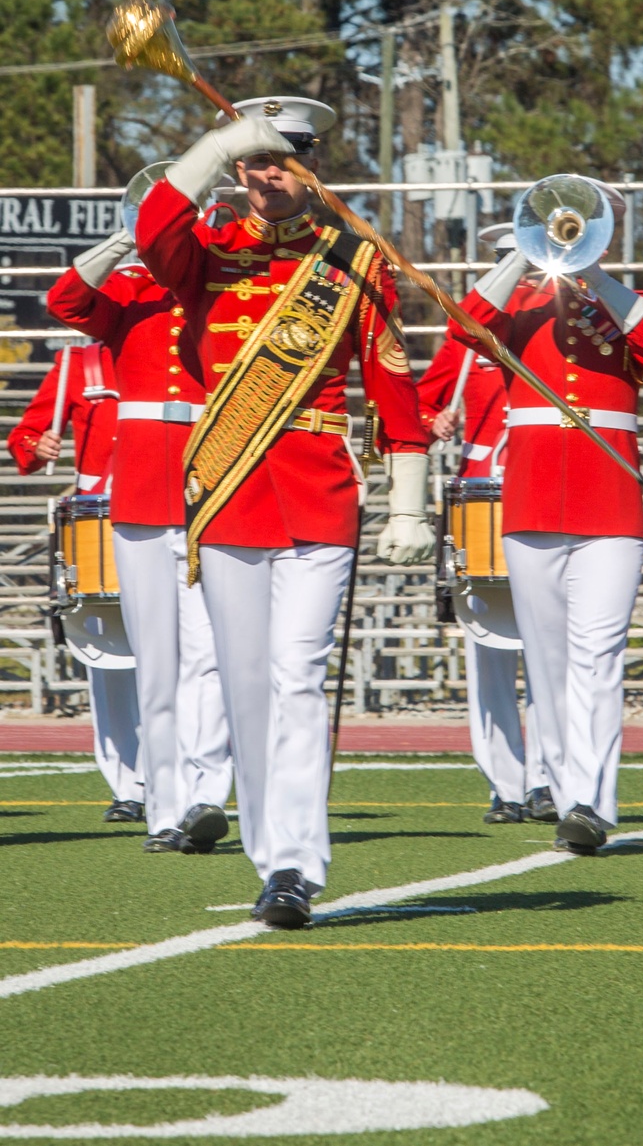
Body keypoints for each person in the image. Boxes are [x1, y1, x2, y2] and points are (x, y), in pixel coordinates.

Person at [135, 97, 434, 927]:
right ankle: (273, 858)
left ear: (311, 169)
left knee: (299, 675)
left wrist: (409, 502)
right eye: (258, 159)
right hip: (228, 489)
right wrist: (219, 141)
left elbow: (393, 385)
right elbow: (153, 232)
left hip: (319, 489)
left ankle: (297, 862)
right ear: (239, 169)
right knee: (246, 686)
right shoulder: (210, 251)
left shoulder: (352, 259)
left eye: (285, 158)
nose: (270, 174)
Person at [450, 181, 643, 854]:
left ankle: (591, 798)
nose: (571, 232)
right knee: (548, 660)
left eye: (586, 222)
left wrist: (595, 274)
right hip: (531, 497)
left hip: (609, 501)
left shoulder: (634, 304)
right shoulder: (517, 304)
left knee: (598, 654)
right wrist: (522, 253)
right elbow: (461, 323)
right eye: (563, 222)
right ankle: (562, 787)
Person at [48, 225, 233, 856]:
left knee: (207, 652)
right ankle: (165, 807)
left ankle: (208, 794)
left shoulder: (220, 286)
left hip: (209, 484)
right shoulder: (127, 291)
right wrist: (127, 241)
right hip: (141, 492)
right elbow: (66, 300)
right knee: (155, 661)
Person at [418, 224, 554, 826]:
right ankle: (505, 782)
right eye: (509, 264)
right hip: (480, 494)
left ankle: (550, 777)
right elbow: (425, 399)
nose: (520, 278)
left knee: (550, 645)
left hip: (541, 484)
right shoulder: (470, 335)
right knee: (489, 647)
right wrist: (433, 421)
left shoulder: (559, 319)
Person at [9, 343, 144, 823]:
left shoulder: (187, 343)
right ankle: (129, 785)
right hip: (97, 519)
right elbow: (26, 435)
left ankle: (181, 782)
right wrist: (35, 444)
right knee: (109, 660)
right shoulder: (79, 363)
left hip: (171, 511)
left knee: (184, 656)